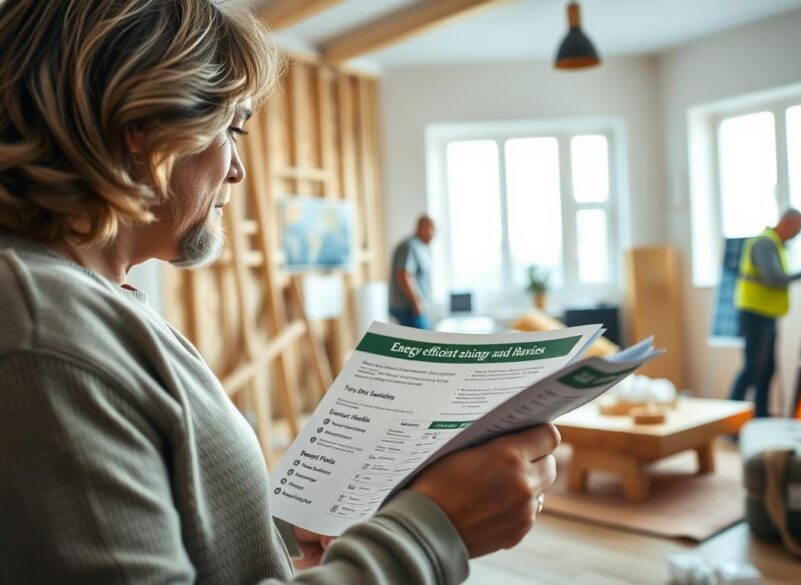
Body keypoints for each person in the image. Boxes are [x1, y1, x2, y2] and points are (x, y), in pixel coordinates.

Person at [0, 1, 557, 583]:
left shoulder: (89, 305)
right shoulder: (43, 335)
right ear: (139, 127)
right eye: (231, 128)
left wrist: (303, 547)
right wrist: (429, 528)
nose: (237, 170)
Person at [728, 210, 801, 418]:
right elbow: (774, 278)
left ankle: (762, 416)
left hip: (766, 314)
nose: (798, 235)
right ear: (788, 223)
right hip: (755, 313)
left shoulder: (776, 244)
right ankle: (729, 420)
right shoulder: (765, 243)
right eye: (798, 230)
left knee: (767, 368)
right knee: (753, 367)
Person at [389, 215, 435, 329]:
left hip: (414, 307)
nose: (434, 233)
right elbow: (403, 275)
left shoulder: (422, 247)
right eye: (432, 229)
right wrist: (416, 303)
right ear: (422, 227)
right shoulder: (409, 246)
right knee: (425, 341)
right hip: (408, 309)